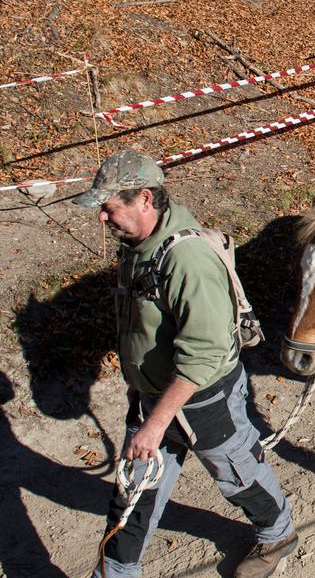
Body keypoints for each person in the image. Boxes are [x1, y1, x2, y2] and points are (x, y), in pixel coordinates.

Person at [76, 150, 298, 578]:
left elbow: (203, 355)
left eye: (109, 208)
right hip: (152, 397)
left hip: (203, 398)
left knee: (236, 473)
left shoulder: (186, 261)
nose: (103, 219)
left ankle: (279, 532)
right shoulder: (138, 246)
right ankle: (116, 572)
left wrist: (155, 424)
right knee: (133, 492)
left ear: (144, 199)